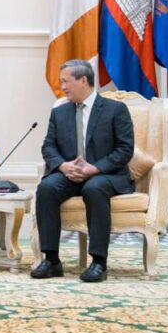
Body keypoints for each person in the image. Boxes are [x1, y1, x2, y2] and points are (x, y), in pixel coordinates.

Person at [31, 59, 135, 283]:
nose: (62, 87)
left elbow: (125, 150)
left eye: (66, 82)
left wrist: (94, 168)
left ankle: (98, 262)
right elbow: (48, 147)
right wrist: (63, 165)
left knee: (93, 188)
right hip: (70, 174)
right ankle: (51, 260)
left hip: (105, 175)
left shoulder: (115, 110)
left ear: (83, 80)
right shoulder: (59, 112)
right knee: (47, 187)